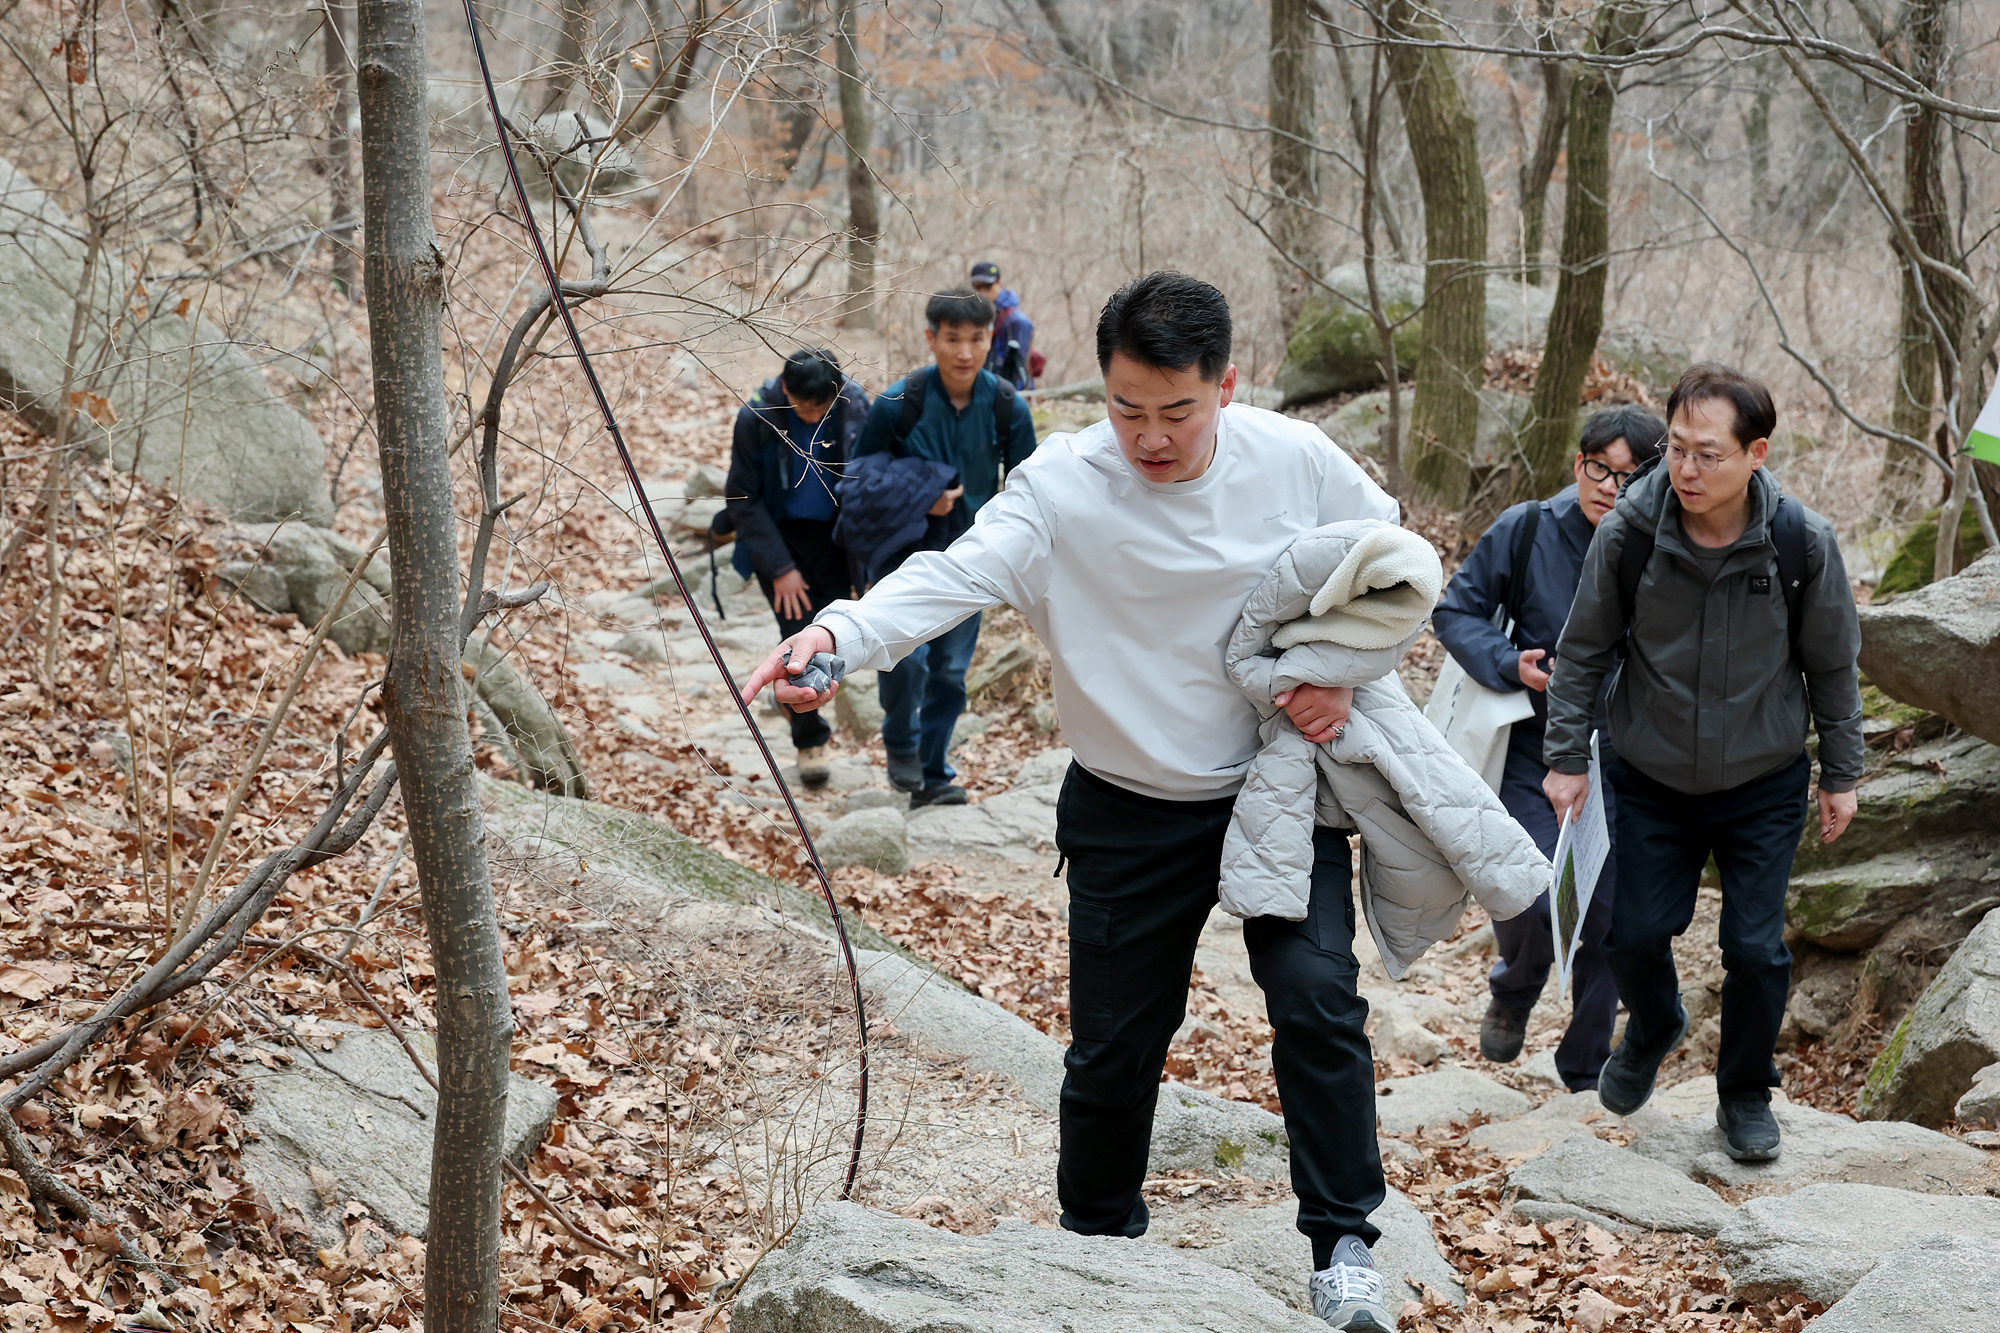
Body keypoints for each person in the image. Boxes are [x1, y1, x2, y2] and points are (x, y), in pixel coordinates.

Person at [746, 273, 1405, 1332]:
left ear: (1226, 385)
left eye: (1177, 410)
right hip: (1127, 804)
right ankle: (1094, 1251)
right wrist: (836, 634)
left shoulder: (1297, 460)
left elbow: (1395, 564)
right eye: (1126, 408)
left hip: (1274, 787)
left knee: (1317, 1002)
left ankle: (1343, 1247)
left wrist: (1342, 670)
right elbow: (955, 574)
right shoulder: (1062, 484)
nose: (1151, 437)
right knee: (1112, 1050)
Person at [1543, 364, 1863, 1161]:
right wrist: (1566, 757)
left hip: (1763, 778)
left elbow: (1832, 664)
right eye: (1678, 448)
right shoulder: (1631, 532)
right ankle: (1654, 1023)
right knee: (1633, 933)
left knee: (1755, 948)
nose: (1687, 468)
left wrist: (1842, 772)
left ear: (1756, 453)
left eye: (1707, 453)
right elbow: (1582, 651)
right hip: (1651, 776)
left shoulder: (1800, 542)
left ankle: (1745, 1092)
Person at [1432, 405, 1666, 1092]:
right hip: (1531, 747)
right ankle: (1516, 987)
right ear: (1578, 463)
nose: (1609, 487)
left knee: (1612, 920)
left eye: (1629, 475)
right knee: (1530, 892)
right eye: (1598, 468)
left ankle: (1585, 1072)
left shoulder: (1668, 545)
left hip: (1625, 758)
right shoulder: (1528, 528)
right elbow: (1455, 610)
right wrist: (1511, 663)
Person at [849, 287, 1038, 807]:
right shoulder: (899, 403)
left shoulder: (1006, 407)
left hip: (971, 558)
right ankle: (901, 746)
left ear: (991, 338)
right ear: (931, 338)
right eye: (953, 339)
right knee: (905, 660)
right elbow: (859, 477)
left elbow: (1030, 490)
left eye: (976, 339)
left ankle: (932, 773)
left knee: (951, 673)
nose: (964, 352)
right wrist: (920, 495)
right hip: (902, 552)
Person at [722, 348, 869, 787]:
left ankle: (799, 707)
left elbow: (873, 478)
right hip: (780, 540)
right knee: (796, 638)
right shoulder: (757, 418)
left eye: (821, 408)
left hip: (837, 541)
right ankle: (810, 740)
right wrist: (780, 567)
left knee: (830, 635)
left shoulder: (855, 412)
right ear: (786, 389)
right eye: (804, 408)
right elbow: (742, 497)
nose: (813, 416)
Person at [970, 259, 1037, 389]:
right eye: (978, 287)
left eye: (987, 286)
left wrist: (1014, 395)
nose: (983, 292)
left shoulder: (1016, 321)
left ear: (999, 284)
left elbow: (1019, 368)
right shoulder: (979, 316)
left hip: (1008, 391)